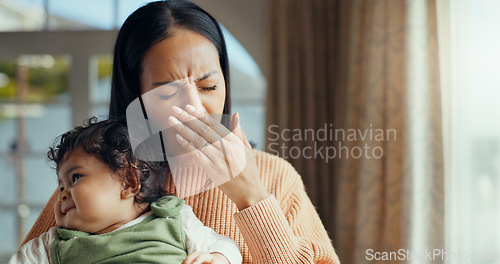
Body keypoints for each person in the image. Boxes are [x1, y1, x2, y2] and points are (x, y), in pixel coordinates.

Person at [22, 1, 340, 263]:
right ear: (137, 99)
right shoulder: (97, 178)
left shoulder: (277, 177)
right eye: (167, 93)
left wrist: (251, 195)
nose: (196, 109)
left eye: (209, 86)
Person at [10, 118, 242, 264]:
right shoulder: (55, 244)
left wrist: (216, 258)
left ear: (129, 182)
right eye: (61, 185)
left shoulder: (172, 219)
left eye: (76, 178)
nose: (61, 193)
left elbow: (226, 245)